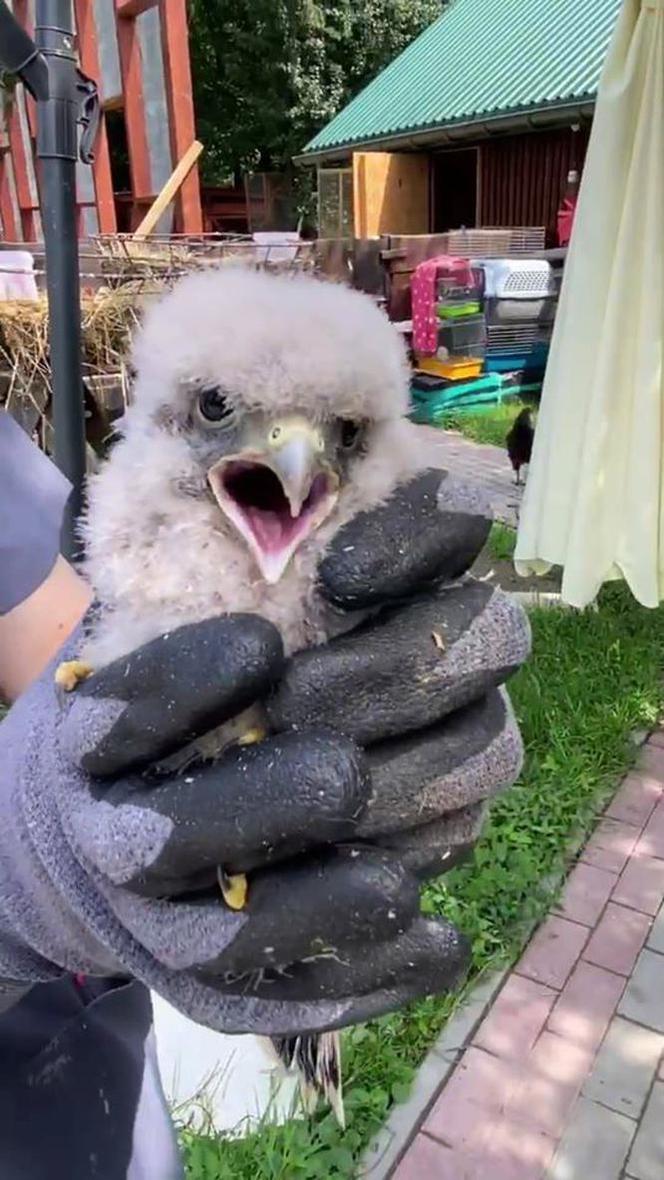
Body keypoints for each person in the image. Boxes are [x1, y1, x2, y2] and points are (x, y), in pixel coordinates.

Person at [0, 408, 529, 1179]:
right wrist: (21, 875)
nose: (292, 449)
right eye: (220, 409)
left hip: (93, 1111)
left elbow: (73, 643)